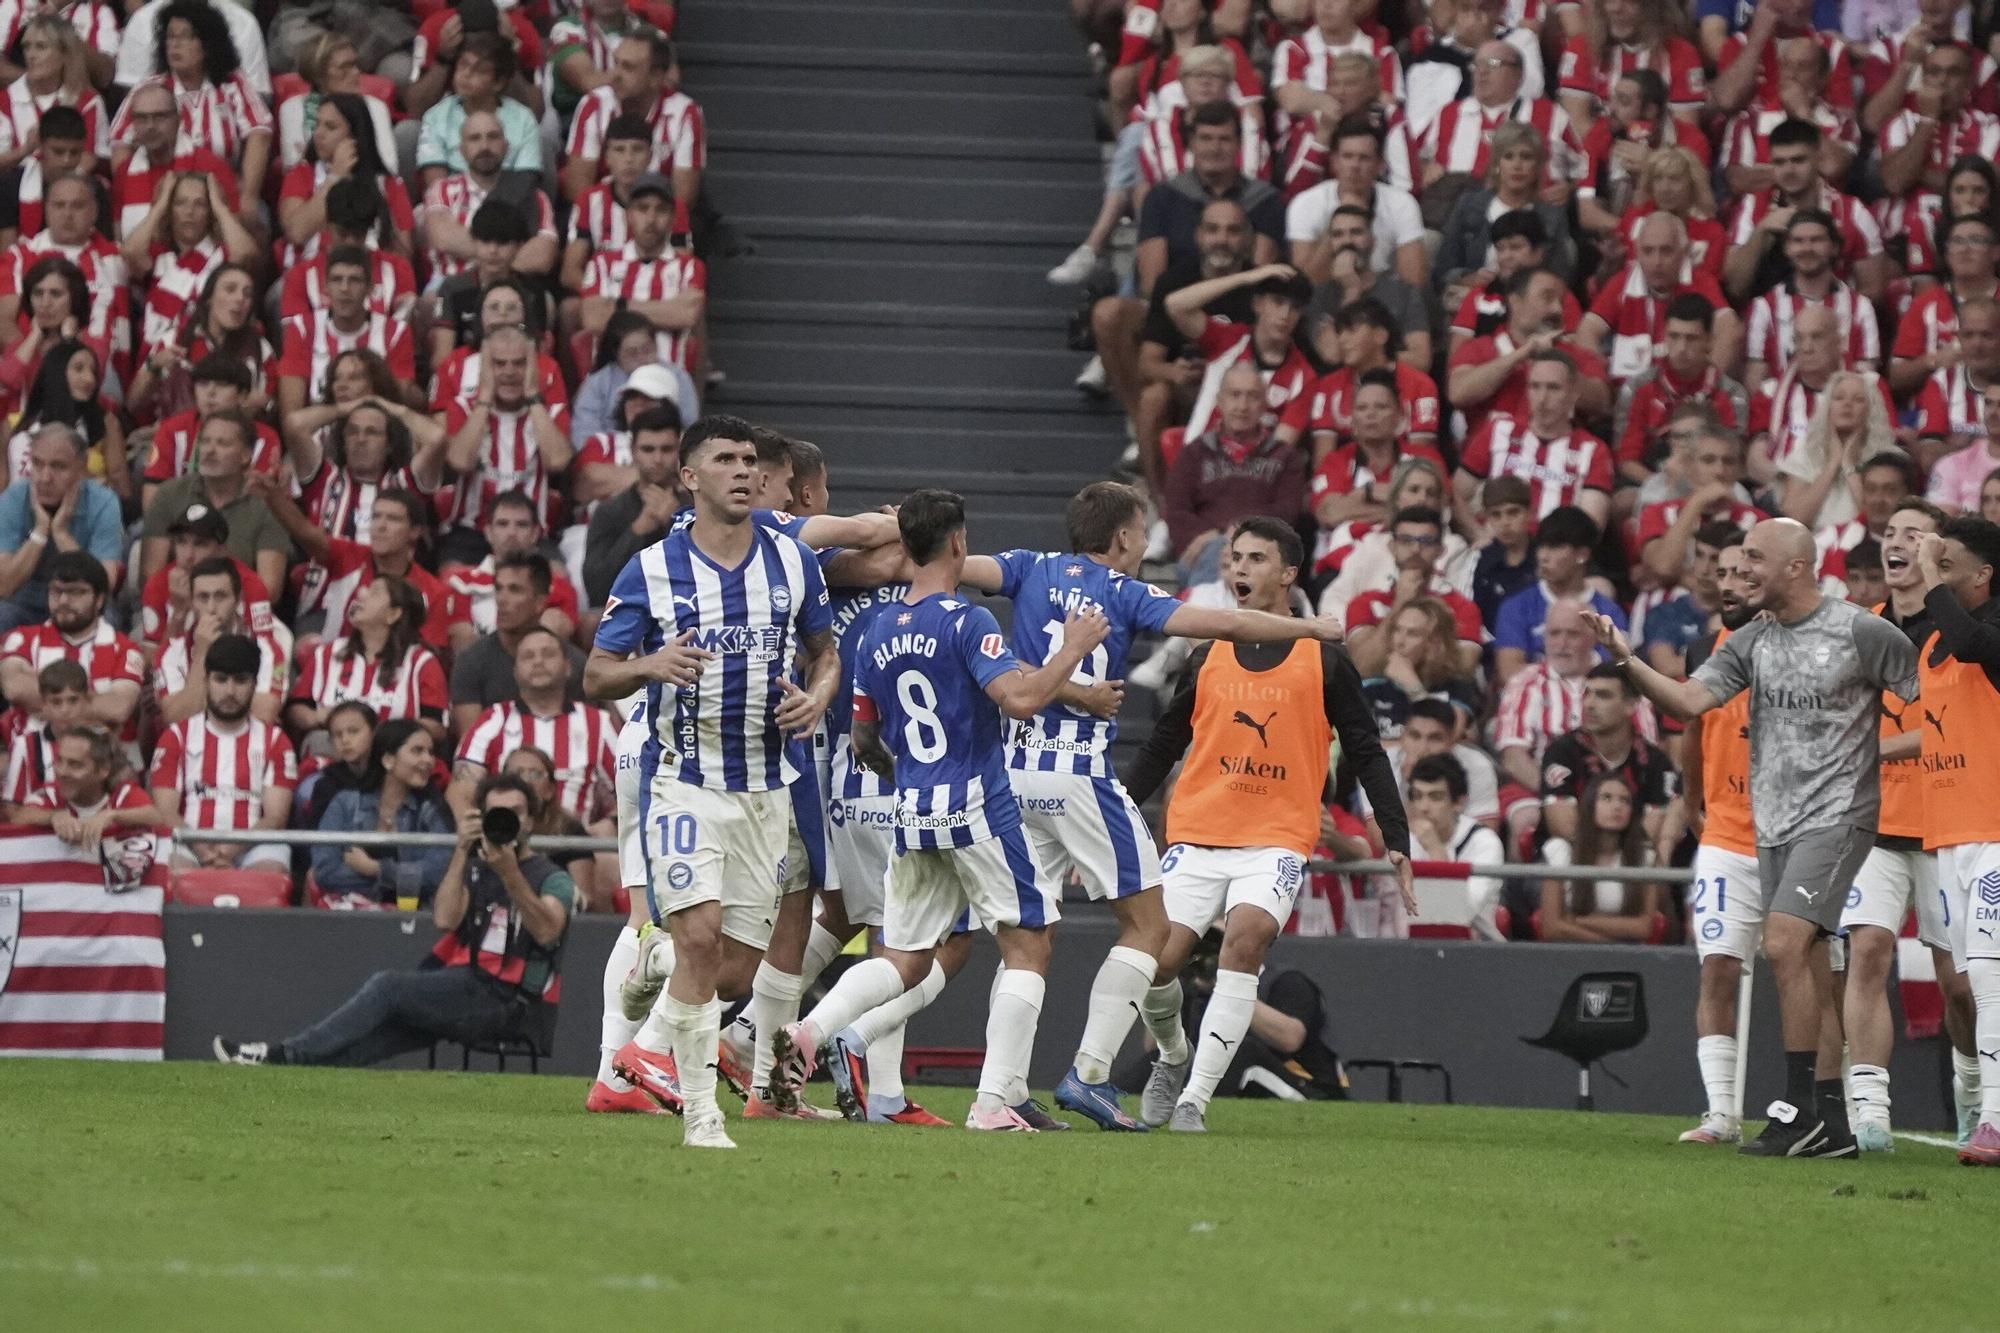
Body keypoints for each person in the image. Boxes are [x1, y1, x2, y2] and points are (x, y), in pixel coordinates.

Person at [942, 481, 1344, 1129]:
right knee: (1151, 929)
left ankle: (998, 1095)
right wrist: (1310, 626)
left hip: (1011, 780)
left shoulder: (1027, 567)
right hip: (1077, 776)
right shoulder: (1127, 592)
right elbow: (1229, 622)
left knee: (1028, 941)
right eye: (1142, 531)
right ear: (1126, 538)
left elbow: (954, 565)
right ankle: (1090, 1075)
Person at [759, 488, 1108, 1134]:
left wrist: (910, 775)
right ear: (956, 542)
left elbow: (865, 737)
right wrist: (1074, 647)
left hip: (910, 810)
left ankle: (809, 1031)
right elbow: (1022, 699)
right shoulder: (967, 620)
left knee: (905, 956)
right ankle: (994, 1102)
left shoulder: (876, 630)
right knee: (1028, 943)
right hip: (976, 802)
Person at [1594, 517, 1918, 1158]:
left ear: (1796, 568)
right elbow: (1688, 704)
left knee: (1783, 942)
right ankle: (1830, 1121)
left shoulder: (1861, 631)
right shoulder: (1750, 641)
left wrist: (1894, 755)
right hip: (1774, 823)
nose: (1742, 574)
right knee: (1809, 967)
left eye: (1754, 562)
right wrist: (1626, 659)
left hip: (1840, 818)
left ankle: (1800, 1108)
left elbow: (1939, 701)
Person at [586, 414, 840, 1149]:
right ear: (690, 478)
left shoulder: (793, 564)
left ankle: (649, 965)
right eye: (724, 459)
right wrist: (648, 665)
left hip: (765, 788)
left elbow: (826, 652)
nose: (742, 470)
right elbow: (597, 671)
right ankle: (702, 1115)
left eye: (750, 460)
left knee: (731, 974)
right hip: (683, 780)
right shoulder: (653, 568)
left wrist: (819, 694)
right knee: (698, 937)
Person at [1122, 516, 1411, 1131]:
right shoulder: (1207, 656)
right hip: (1199, 831)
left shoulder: (1324, 661)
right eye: (1234, 558)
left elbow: (1366, 750)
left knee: (1246, 937)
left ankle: (1195, 1100)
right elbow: (1163, 745)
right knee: (1158, 964)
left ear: (1288, 574)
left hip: (1277, 836)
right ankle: (1172, 1058)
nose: (1240, 569)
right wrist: (1113, 815)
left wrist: (1397, 837)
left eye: (1256, 559)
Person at [213, 774, 574, 1068]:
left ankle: (282, 1053)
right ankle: (284, 1065)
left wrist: (510, 872)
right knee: (380, 1037)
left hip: (514, 1003)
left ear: (530, 819)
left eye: (515, 812)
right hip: (471, 989)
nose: (507, 821)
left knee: (388, 987)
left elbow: (547, 930)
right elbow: (446, 919)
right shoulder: (479, 867)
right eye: (496, 813)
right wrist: (462, 851)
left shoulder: (552, 877)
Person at [1830, 501, 1978, 1149]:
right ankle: (1868, 1110)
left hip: (1949, 822)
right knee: (1868, 950)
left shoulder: (1963, 631)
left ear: (1937, 552)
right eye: (1889, 533)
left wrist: (1875, 747)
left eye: (1911, 533)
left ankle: (1973, 1094)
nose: (1896, 543)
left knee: (1960, 985)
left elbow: (1952, 727)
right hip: (1875, 824)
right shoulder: (1858, 629)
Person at [1908, 516, 2000, 1164]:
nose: (1934, 565)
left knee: (1992, 979)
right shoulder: (1931, 643)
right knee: (1965, 986)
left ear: (1983, 574)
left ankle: (1995, 1117)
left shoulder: (1986, 631)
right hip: (1948, 835)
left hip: (1996, 832)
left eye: (1949, 559)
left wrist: (1927, 569)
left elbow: (1971, 642)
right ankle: (1979, 1103)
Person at [1677, 535, 1759, 1143]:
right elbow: (1690, 725)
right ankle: (1721, 1112)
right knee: (1717, 968)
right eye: (1722, 572)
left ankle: (1832, 1109)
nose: (1729, 583)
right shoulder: (1705, 648)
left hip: (1798, 833)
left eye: (1741, 572)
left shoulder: (1807, 643)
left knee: (1816, 974)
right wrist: (1689, 799)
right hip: (1728, 833)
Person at [150, 633, 297, 872]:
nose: (230, 691)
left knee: (271, 871)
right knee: (171, 869)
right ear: (206, 680)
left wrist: (229, 850)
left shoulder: (277, 741)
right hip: (188, 844)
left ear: (255, 683)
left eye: (240, 680)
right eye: (221, 680)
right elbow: (165, 812)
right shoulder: (175, 736)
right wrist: (205, 852)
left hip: (254, 846)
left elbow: (275, 818)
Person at [449, 625, 614, 825]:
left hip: (577, 849)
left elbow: (634, 788)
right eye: (528, 656)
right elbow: (460, 790)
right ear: (515, 671)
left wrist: (611, 823)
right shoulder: (492, 720)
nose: (538, 661)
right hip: (506, 846)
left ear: (568, 667)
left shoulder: (598, 723)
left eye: (548, 654)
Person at [0, 550, 142, 744]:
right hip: (31, 755)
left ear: (99, 599)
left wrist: (42, 699)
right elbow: (15, 688)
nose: (64, 600)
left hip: (101, 757)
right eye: (57, 591)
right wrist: (93, 702)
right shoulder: (22, 638)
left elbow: (118, 708)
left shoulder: (125, 648)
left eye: (76, 592)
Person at [311, 718, 453, 907]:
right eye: (417, 751)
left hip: (415, 918)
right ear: (388, 760)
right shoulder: (345, 803)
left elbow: (437, 874)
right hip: (350, 917)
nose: (428, 760)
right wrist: (402, 880)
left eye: (430, 752)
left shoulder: (431, 810)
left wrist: (376, 869)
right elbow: (325, 871)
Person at [1538, 663, 1674, 843]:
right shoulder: (1562, 752)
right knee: (1558, 848)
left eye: (1603, 696)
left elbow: (1654, 830)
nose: (1589, 704)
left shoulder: (1655, 762)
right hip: (1575, 857)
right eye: (1587, 693)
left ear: (1631, 705)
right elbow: (1562, 826)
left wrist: (1616, 858)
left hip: (1632, 861)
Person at [1492, 505, 1625, 681]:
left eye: (1555, 547)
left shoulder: (1609, 612)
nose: (1543, 557)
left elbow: (1613, 674)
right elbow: (1510, 673)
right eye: (1541, 547)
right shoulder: (1516, 607)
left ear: (1582, 554)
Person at [154, 555, 285, 726]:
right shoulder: (169, 653)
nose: (211, 608)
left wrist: (196, 700)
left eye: (220, 596)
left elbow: (264, 714)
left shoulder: (268, 650)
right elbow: (175, 720)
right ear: (192, 602)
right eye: (203, 597)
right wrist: (202, 654)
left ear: (238, 599)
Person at [1536, 772, 1663, 941]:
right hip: (1570, 955)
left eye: (1625, 801)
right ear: (1590, 805)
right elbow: (1551, 927)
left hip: (1627, 956)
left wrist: (1576, 920)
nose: (1617, 806)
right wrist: (1606, 943)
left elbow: (1643, 927)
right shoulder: (1560, 851)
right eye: (1607, 798)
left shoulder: (1645, 857)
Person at [582, 407, 683, 607]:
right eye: (648, 449)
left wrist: (676, 524)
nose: (657, 459)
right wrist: (639, 529)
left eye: (667, 449)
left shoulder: (699, 506)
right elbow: (596, 589)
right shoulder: (608, 512)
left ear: (679, 450)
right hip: (626, 613)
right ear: (633, 451)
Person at [1778, 372, 1904, 530]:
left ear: (1871, 410)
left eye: (1858, 399)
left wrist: (1849, 464)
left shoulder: (1890, 457)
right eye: (1839, 398)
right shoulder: (1805, 451)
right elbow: (1795, 518)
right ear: (1827, 407)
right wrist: (1832, 463)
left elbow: (1880, 519)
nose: (1847, 404)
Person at [15, 725, 166, 853]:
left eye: (75, 764)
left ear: (103, 770)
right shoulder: (52, 794)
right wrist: (54, 817)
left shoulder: (122, 795)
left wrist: (112, 816)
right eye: (59, 761)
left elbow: (157, 817)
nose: (62, 771)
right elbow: (20, 816)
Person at [1357, 597, 1483, 737]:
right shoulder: (1371, 688)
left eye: (1412, 634)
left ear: (1435, 642)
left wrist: (1414, 688)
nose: (1400, 642)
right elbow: (1355, 746)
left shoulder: (1456, 687)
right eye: (1397, 630)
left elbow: (1453, 737)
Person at [0, 658, 89, 816]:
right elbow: (11, 810)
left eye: (73, 700)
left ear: (86, 701)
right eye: (56, 702)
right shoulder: (25, 745)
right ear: (43, 704)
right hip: (42, 838)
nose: (65, 710)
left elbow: (133, 801)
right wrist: (54, 818)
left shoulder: (104, 740)